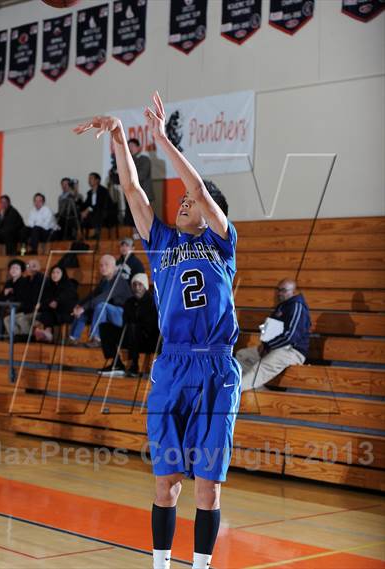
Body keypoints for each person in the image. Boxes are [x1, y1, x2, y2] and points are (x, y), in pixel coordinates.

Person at [74, 91, 241, 569]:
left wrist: (164, 140)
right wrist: (120, 138)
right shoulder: (162, 241)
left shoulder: (222, 242)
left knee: (208, 487)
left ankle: (202, 565)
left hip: (215, 365)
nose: (184, 203)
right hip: (172, 365)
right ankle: (161, 565)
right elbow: (133, 191)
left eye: (190, 201)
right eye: (183, 201)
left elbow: (203, 192)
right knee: (166, 482)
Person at [236, 279, 311, 392]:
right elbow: (271, 329)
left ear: (294, 292)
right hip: (276, 347)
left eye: (284, 290)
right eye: (278, 290)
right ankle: (260, 391)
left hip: (292, 351)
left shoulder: (297, 306)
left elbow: (290, 336)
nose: (279, 293)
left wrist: (269, 346)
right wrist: (265, 346)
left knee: (260, 367)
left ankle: (233, 393)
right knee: (242, 355)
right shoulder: (282, 306)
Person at [98, 272, 159, 377]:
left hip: (149, 339)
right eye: (134, 284)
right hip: (131, 337)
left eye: (140, 284)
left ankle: (134, 365)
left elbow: (152, 325)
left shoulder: (153, 301)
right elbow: (125, 322)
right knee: (105, 327)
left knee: (134, 327)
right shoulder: (129, 302)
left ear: (145, 286)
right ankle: (117, 363)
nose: (137, 287)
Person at [68, 254, 131, 348]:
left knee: (100, 305)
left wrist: (83, 308)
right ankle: (73, 338)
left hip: (123, 316)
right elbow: (92, 295)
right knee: (85, 309)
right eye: (101, 265)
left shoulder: (119, 281)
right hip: (107, 312)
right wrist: (79, 306)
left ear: (114, 267)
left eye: (106, 265)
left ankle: (97, 339)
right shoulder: (104, 281)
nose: (103, 267)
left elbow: (103, 297)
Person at [33, 265, 78, 343]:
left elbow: (65, 298)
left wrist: (56, 301)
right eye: (53, 272)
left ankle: (47, 333)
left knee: (48, 312)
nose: (55, 275)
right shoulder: (49, 286)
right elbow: (45, 300)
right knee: (46, 311)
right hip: (53, 312)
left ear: (62, 274)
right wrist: (47, 303)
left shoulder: (69, 285)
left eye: (58, 272)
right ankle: (47, 332)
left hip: (67, 313)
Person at [3, 259, 43, 336]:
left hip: (38, 310)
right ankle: (17, 339)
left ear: (39, 268)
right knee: (7, 319)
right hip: (26, 309)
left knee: (21, 319)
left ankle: (29, 341)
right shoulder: (26, 280)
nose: (30, 268)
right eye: (28, 266)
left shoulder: (42, 279)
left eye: (34, 266)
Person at [125, 138, 154, 234]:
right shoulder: (127, 161)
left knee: (145, 217)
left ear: (139, 148)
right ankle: (136, 237)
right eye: (128, 146)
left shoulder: (144, 159)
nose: (130, 148)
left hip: (144, 194)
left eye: (132, 146)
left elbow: (142, 175)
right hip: (132, 195)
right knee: (134, 218)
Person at [80, 173, 117, 239]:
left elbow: (101, 205)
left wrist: (88, 209)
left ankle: (96, 234)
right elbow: (86, 204)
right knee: (81, 214)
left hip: (104, 214)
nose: (89, 180)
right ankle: (83, 236)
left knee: (96, 214)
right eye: (89, 179)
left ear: (97, 180)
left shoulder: (103, 191)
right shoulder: (89, 193)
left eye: (91, 178)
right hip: (93, 214)